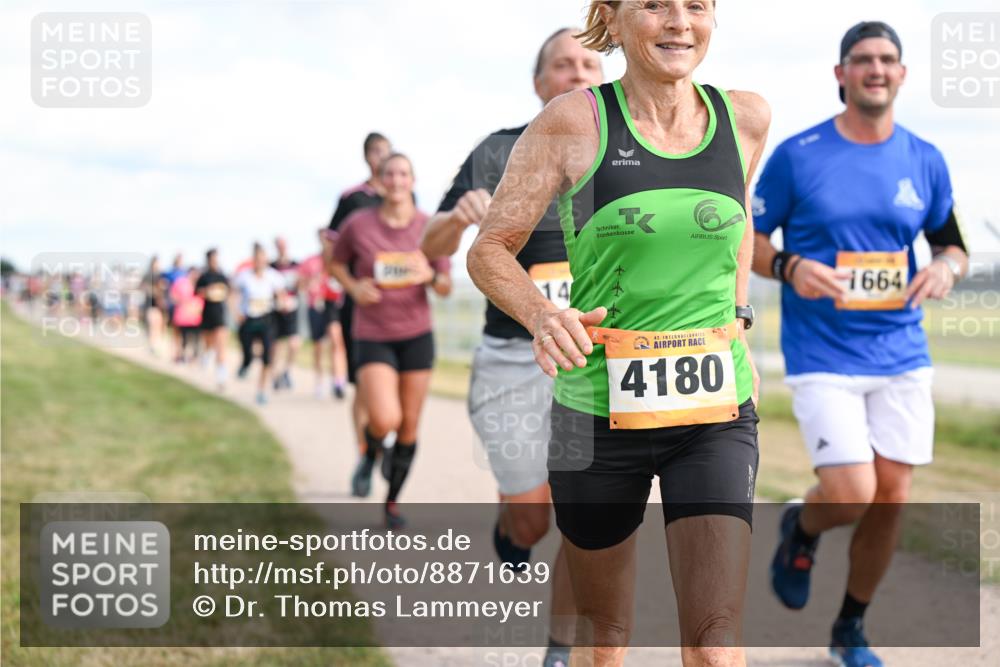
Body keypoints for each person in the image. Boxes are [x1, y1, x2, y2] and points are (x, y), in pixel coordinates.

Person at [467, 2, 770, 665]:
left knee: (715, 639)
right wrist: (543, 315)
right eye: (655, 4)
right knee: (605, 634)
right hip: (595, 416)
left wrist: (740, 316)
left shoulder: (746, 117)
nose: (679, 21)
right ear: (613, 16)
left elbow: (738, 218)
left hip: (713, 412)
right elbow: (489, 249)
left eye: (695, 5)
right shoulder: (571, 122)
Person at [751, 21, 969, 667]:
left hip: (900, 349)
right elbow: (748, 240)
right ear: (841, 74)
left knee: (892, 494)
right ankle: (801, 524)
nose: (876, 68)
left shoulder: (925, 158)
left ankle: (850, 628)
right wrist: (789, 265)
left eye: (887, 59)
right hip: (822, 351)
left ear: (901, 74)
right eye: (863, 59)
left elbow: (952, 244)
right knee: (850, 491)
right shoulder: (799, 154)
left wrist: (945, 269)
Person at [421, 26, 603, 665]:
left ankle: (560, 647)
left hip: (597, 359)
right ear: (539, 82)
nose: (578, 74)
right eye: (564, 64)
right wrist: (456, 218)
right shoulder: (500, 150)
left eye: (590, 64)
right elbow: (431, 246)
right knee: (533, 521)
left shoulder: (630, 151)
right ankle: (511, 530)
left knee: (587, 516)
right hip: (514, 358)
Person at [330, 153, 452, 528]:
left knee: (409, 426)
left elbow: (445, 286)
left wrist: (429, 277)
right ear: (380, 181)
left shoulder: (430, 227)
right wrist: (354, 287)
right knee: (385, 418)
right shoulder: (358, 224)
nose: (397, 180)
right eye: (390, 174)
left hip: (416, 335)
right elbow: (335, 262)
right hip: (373, 334)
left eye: (403, 174)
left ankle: (392, 503)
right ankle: (370, 453)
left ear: (413, 181)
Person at [329, 133, 393, 453]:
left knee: (395, 380)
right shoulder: (352, 199)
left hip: (397, 306)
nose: (385, 157)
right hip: (360, 306)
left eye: (389, 151)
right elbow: (331, 250)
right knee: (365, 384)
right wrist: (352, 287)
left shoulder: (403, 196)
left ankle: (384, 433)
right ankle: (364, 451)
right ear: (368, 156)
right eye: (379, 152)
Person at [233, 243, 286, 405]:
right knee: (248, 352)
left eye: (263, 258)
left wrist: (282, 304)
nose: (260, 262)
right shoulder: (244, 277)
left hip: (267, 319)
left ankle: (261, 390)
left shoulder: (274, 276)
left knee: (267, 355)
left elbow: (281, 295)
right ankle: (246, 363)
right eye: (257, 259)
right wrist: (236, 312)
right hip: (248, 319)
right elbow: (233, 294)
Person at [300, 228, 349, 399]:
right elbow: (300, 284)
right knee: (318, 345)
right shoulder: (311, 261)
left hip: (333, 305)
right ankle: (319, 380)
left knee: (336, 340)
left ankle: (339, 381)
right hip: (316, 305)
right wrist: (311, 283)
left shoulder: (340, 261)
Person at [196, 248, 231, 390]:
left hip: (220, 314)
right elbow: (197, 292)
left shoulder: (222, 276)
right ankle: (207, 355)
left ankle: (221, 377)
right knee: (208, 343)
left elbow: (228, 292)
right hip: (207, 314)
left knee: (221, 347)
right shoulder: (204, 277)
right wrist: (208, 291)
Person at [271, 237, 302, 391]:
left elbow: (301, 284)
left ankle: (286, 371)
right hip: (276, 310)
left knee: (294, 343)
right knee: (276, 345)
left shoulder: (296, 265)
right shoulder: (271, 267)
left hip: (292, 308)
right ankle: (275, 376)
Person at [170, 266, 204, 363]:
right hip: (182, 317)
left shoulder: (199, 285)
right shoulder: (181, 283)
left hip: (196, 318)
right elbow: (173, 296)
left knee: (195, 338)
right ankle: (181, 355)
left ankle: (193, 357)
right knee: (182, 337)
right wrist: (181, 302)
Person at [143, 256, 167, 355]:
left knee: (159, 326)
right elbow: (144, 287)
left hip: (159, 306)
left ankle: (156, 344)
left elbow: (164, 287)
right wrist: (154, 291)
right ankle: (152, 345)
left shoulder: (161, 275)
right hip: (150, 305)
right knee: (152, 325)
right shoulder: (147, 275)